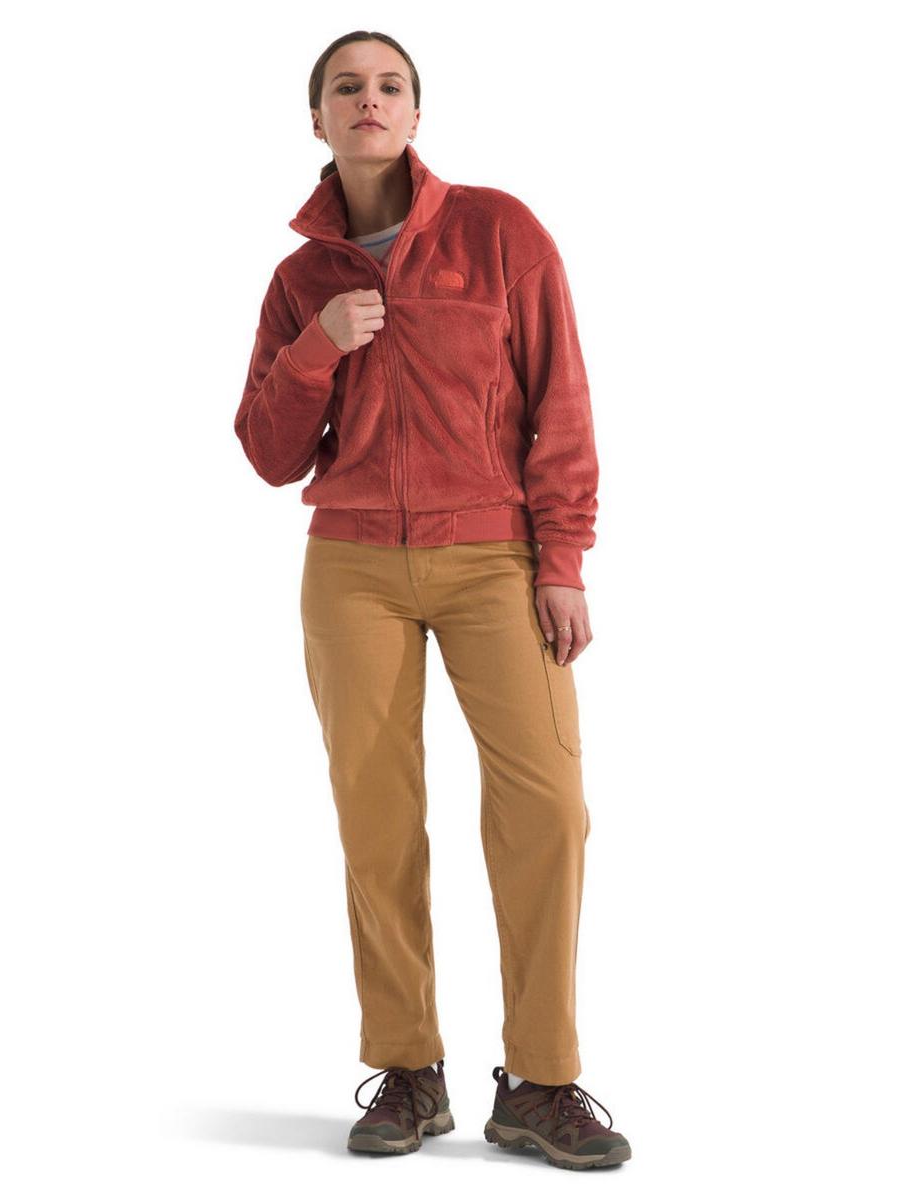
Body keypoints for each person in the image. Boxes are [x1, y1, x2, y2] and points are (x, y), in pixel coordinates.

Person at [235, 30, 631, 1170]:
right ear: (317, 120)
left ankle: (541, 1080)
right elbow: (268, 454)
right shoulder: (300, 281)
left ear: (416, 113)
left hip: (494, 554)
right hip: (351, 567)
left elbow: (562, 401)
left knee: (548, 805)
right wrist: (316, 349)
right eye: (345, 87)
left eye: (390, 85)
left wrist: (562, 559)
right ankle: (407, 1070)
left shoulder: (499, 232)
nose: (369, 100)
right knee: (376, 816)